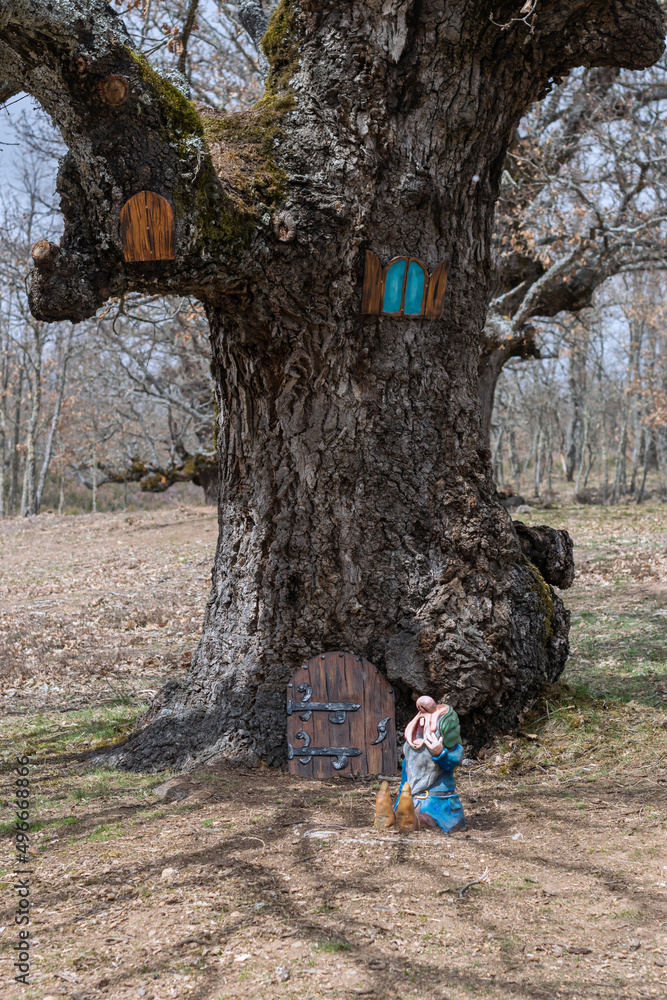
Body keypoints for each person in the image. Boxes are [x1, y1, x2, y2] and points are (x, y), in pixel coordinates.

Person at [374, 695, 466, 833]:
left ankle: (413, 821)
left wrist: (440, 753)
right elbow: (405, 783)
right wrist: (400, 801)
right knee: (405, 813)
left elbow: (452, 762)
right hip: (412, 800)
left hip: (438, 803)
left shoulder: (451, 748)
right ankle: (389, 816)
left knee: (425, 819)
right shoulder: (410, 755)